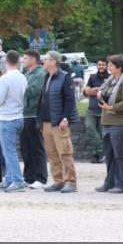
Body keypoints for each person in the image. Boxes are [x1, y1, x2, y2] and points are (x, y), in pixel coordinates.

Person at [96, 54, 123, 194]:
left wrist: (112, 108)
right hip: (108, 121)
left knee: (121, 154)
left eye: (111, 65)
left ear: (119, 67)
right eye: (108, 65)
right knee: (110, 154)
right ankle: (110, 182)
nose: (108, 67)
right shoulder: (111, 80)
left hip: (122, 122)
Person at [37, 51, 79, 193]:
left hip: (59, 122)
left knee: (65, 152)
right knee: (52, 153)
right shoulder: (46, 77)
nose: (44, 61)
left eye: (47, 59)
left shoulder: (64, 77)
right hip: (47, 122)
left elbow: (70, 100)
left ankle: (71, 182)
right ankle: (58, 180)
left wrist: (66, 118)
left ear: (54, 61)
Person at [0, 51, 28, 192]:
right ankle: (10, 179)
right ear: (18, 62)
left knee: (8, 152)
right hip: (19, 116)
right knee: (11, 150)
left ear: (5, 62)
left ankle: (17, 180)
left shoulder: (5, 78)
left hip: (7, 118)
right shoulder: (22, 77)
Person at [20, 50, 49, 189]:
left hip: (34, 113)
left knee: (37, 147)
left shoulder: (40, 73)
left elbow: (34, 90)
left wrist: (18, 87)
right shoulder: (26, 74)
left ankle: (41, 177)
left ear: (33, 59)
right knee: (26, 148)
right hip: (24, 113)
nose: (23, 61)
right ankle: (29, 177)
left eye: (25, 58)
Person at [82, 58, 109, 163]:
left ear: (106, 66)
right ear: (97, 66)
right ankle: (102, 150)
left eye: (103, 64)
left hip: (104, 110)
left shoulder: (110, 78)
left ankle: (97, 155)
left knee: (101, 133)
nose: (101, 66)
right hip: (92, 110)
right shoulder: (92, 77)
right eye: (99, 64)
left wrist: (96, 91)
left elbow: (109, 93)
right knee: (90, 129)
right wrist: (96, 91)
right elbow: (86, 91)